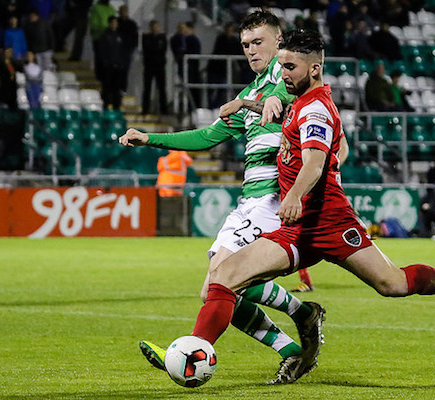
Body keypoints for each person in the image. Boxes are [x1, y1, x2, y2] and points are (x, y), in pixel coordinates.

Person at [133, 29, 435, 384]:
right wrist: (246, 103)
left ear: (314, 68)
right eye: (281, 66)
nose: (283, 73)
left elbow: (314, 162)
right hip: (296, 230)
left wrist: (294, 195)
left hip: (331, 223)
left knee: (392, 284)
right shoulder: (299, 100)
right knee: (224, 276)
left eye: (290, 67)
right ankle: (196, 350)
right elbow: (281, 117)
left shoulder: (316, 110)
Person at [120, 11, 322, 385]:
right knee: (212, 288)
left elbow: (293, 102)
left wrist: (263, 102)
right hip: (249, 201)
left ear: (279, 42)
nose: (251, 50)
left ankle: (191, 350)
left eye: (258, 42)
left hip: (274, 198)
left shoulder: (289, 79)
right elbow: (207, 137)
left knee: (223, 281)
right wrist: (151, 139)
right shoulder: (250, 92)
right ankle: (294, 337)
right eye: (245, 45)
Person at [97, 16, 123, 109]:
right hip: (108, 67)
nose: (114, 24)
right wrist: (105, 63)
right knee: (106, 88)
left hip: (117, 67)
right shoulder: (105, 35)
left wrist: (120, 63)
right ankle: (105, 106)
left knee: (117, 89)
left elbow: (122, 51)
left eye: (115, 22)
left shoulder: (120, 35)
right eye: (112, 22)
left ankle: (116, 107)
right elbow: (101, 51)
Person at [141, 20, 168, 114]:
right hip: (149, 66)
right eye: (153, 26)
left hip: (160, 66)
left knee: (162, 88)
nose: (155, 28)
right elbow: (146, 50)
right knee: (147, 88)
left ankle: (164, 109)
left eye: (156, 26)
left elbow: (163, 50)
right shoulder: (146, 37)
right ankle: (145, 109)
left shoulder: (162, 37)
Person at [117, 5, 138, 93]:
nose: (124, 13)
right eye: (122, 11)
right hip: (117, 51)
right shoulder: (116, 22)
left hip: (127, 50)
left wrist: (132, 48)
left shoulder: (132, 24)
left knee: (125, 70)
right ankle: (116, 88)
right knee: (117, 70)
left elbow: (135, 38)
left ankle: (123, 89)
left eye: (125, 11)